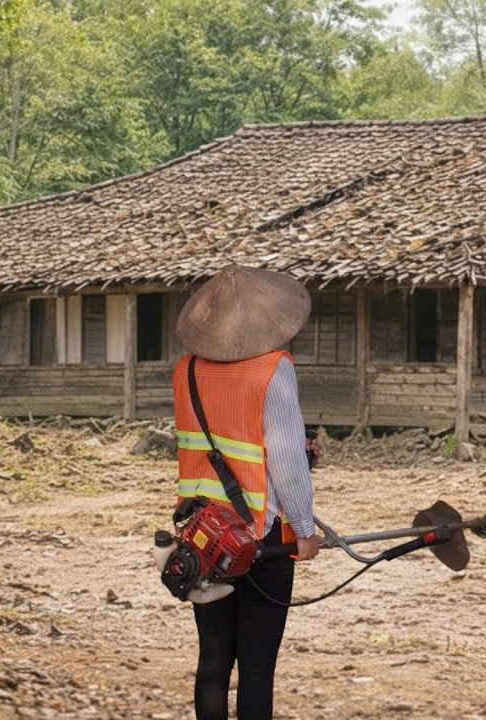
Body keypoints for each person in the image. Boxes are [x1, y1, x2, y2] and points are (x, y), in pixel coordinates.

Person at [172, 264, 322, 720]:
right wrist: (306, 529)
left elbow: (224, 437)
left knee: (213, 662)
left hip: (201, 533)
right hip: (260, 535)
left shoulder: (186, 370)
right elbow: (286, 463)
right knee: (257, 669)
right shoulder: (273, 369)